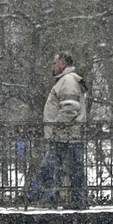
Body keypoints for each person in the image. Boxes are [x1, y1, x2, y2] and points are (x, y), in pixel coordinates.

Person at [27, 52, 88, 207]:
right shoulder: (69, 80)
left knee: (51, 167)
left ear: (62, 64)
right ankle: (74, 199)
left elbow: (70, 108)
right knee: (69, 169)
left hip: (64, 134)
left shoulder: (67, 80)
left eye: (55, 63)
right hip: (68, 134)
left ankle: (37, 197)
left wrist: (56, 126)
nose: (53, 67)